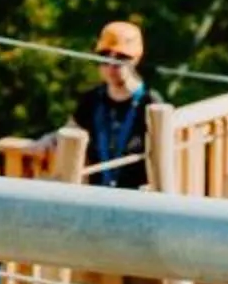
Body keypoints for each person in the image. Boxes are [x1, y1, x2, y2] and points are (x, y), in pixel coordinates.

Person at [67, 22, 164, 190]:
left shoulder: (151, 103)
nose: (111, 66)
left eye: (120, 58)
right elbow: (70, 130)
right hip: (96, 195)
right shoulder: (91, 100)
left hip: (137, 199)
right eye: (105, 57)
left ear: (136, 59)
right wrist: (45, 141)